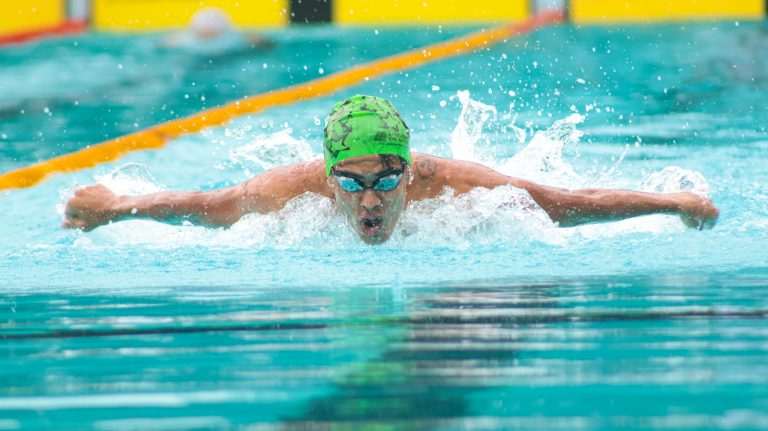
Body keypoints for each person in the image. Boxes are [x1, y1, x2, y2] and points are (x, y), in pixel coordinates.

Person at [63, 95, 719, 244]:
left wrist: (671, 203)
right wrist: (111, 208)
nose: (369, 199)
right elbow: (201, 205)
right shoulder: (286, 192)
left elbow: (568, 202)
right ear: (329, 178)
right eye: (350, 181)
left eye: (384, 180)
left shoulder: (457, 186)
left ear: (409, 174)